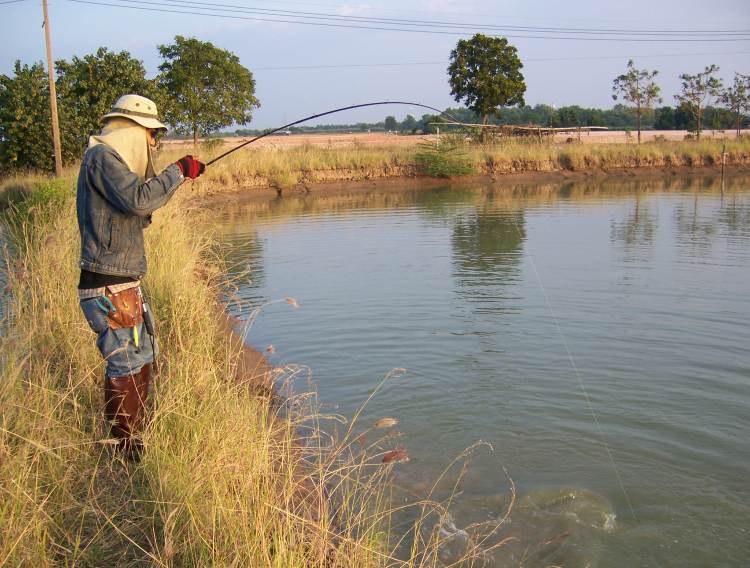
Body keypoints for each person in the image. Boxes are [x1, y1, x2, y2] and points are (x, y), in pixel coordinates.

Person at [77, 94, 205, 460]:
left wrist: (171, 181)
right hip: (108, 287)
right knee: (127, 361)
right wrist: (178, 170)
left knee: (141, 354)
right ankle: (126, 453)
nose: (153, 143)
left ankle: (133, 445)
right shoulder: (102, 158)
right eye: (151, 134)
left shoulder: (106, 162)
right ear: (132, 129)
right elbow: (138, 200)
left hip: (119, 284)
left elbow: (135, 210)